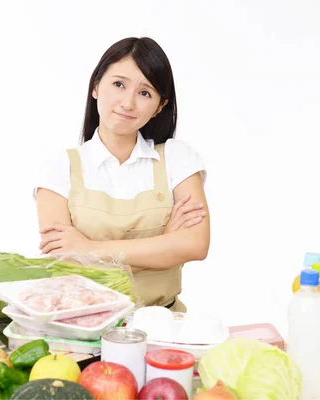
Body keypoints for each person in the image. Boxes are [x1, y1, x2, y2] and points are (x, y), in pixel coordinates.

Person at [33, 37, 210, 312]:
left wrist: (88, 249)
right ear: (95, 87)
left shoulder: (178, 158)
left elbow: (196, 244)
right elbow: (63, 266)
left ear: (160, 106)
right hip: (83, 328)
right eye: (119, 84)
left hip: (165, 326)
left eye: (145, 93)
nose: (128, 103)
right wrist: (165, 245)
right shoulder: (60, 165)